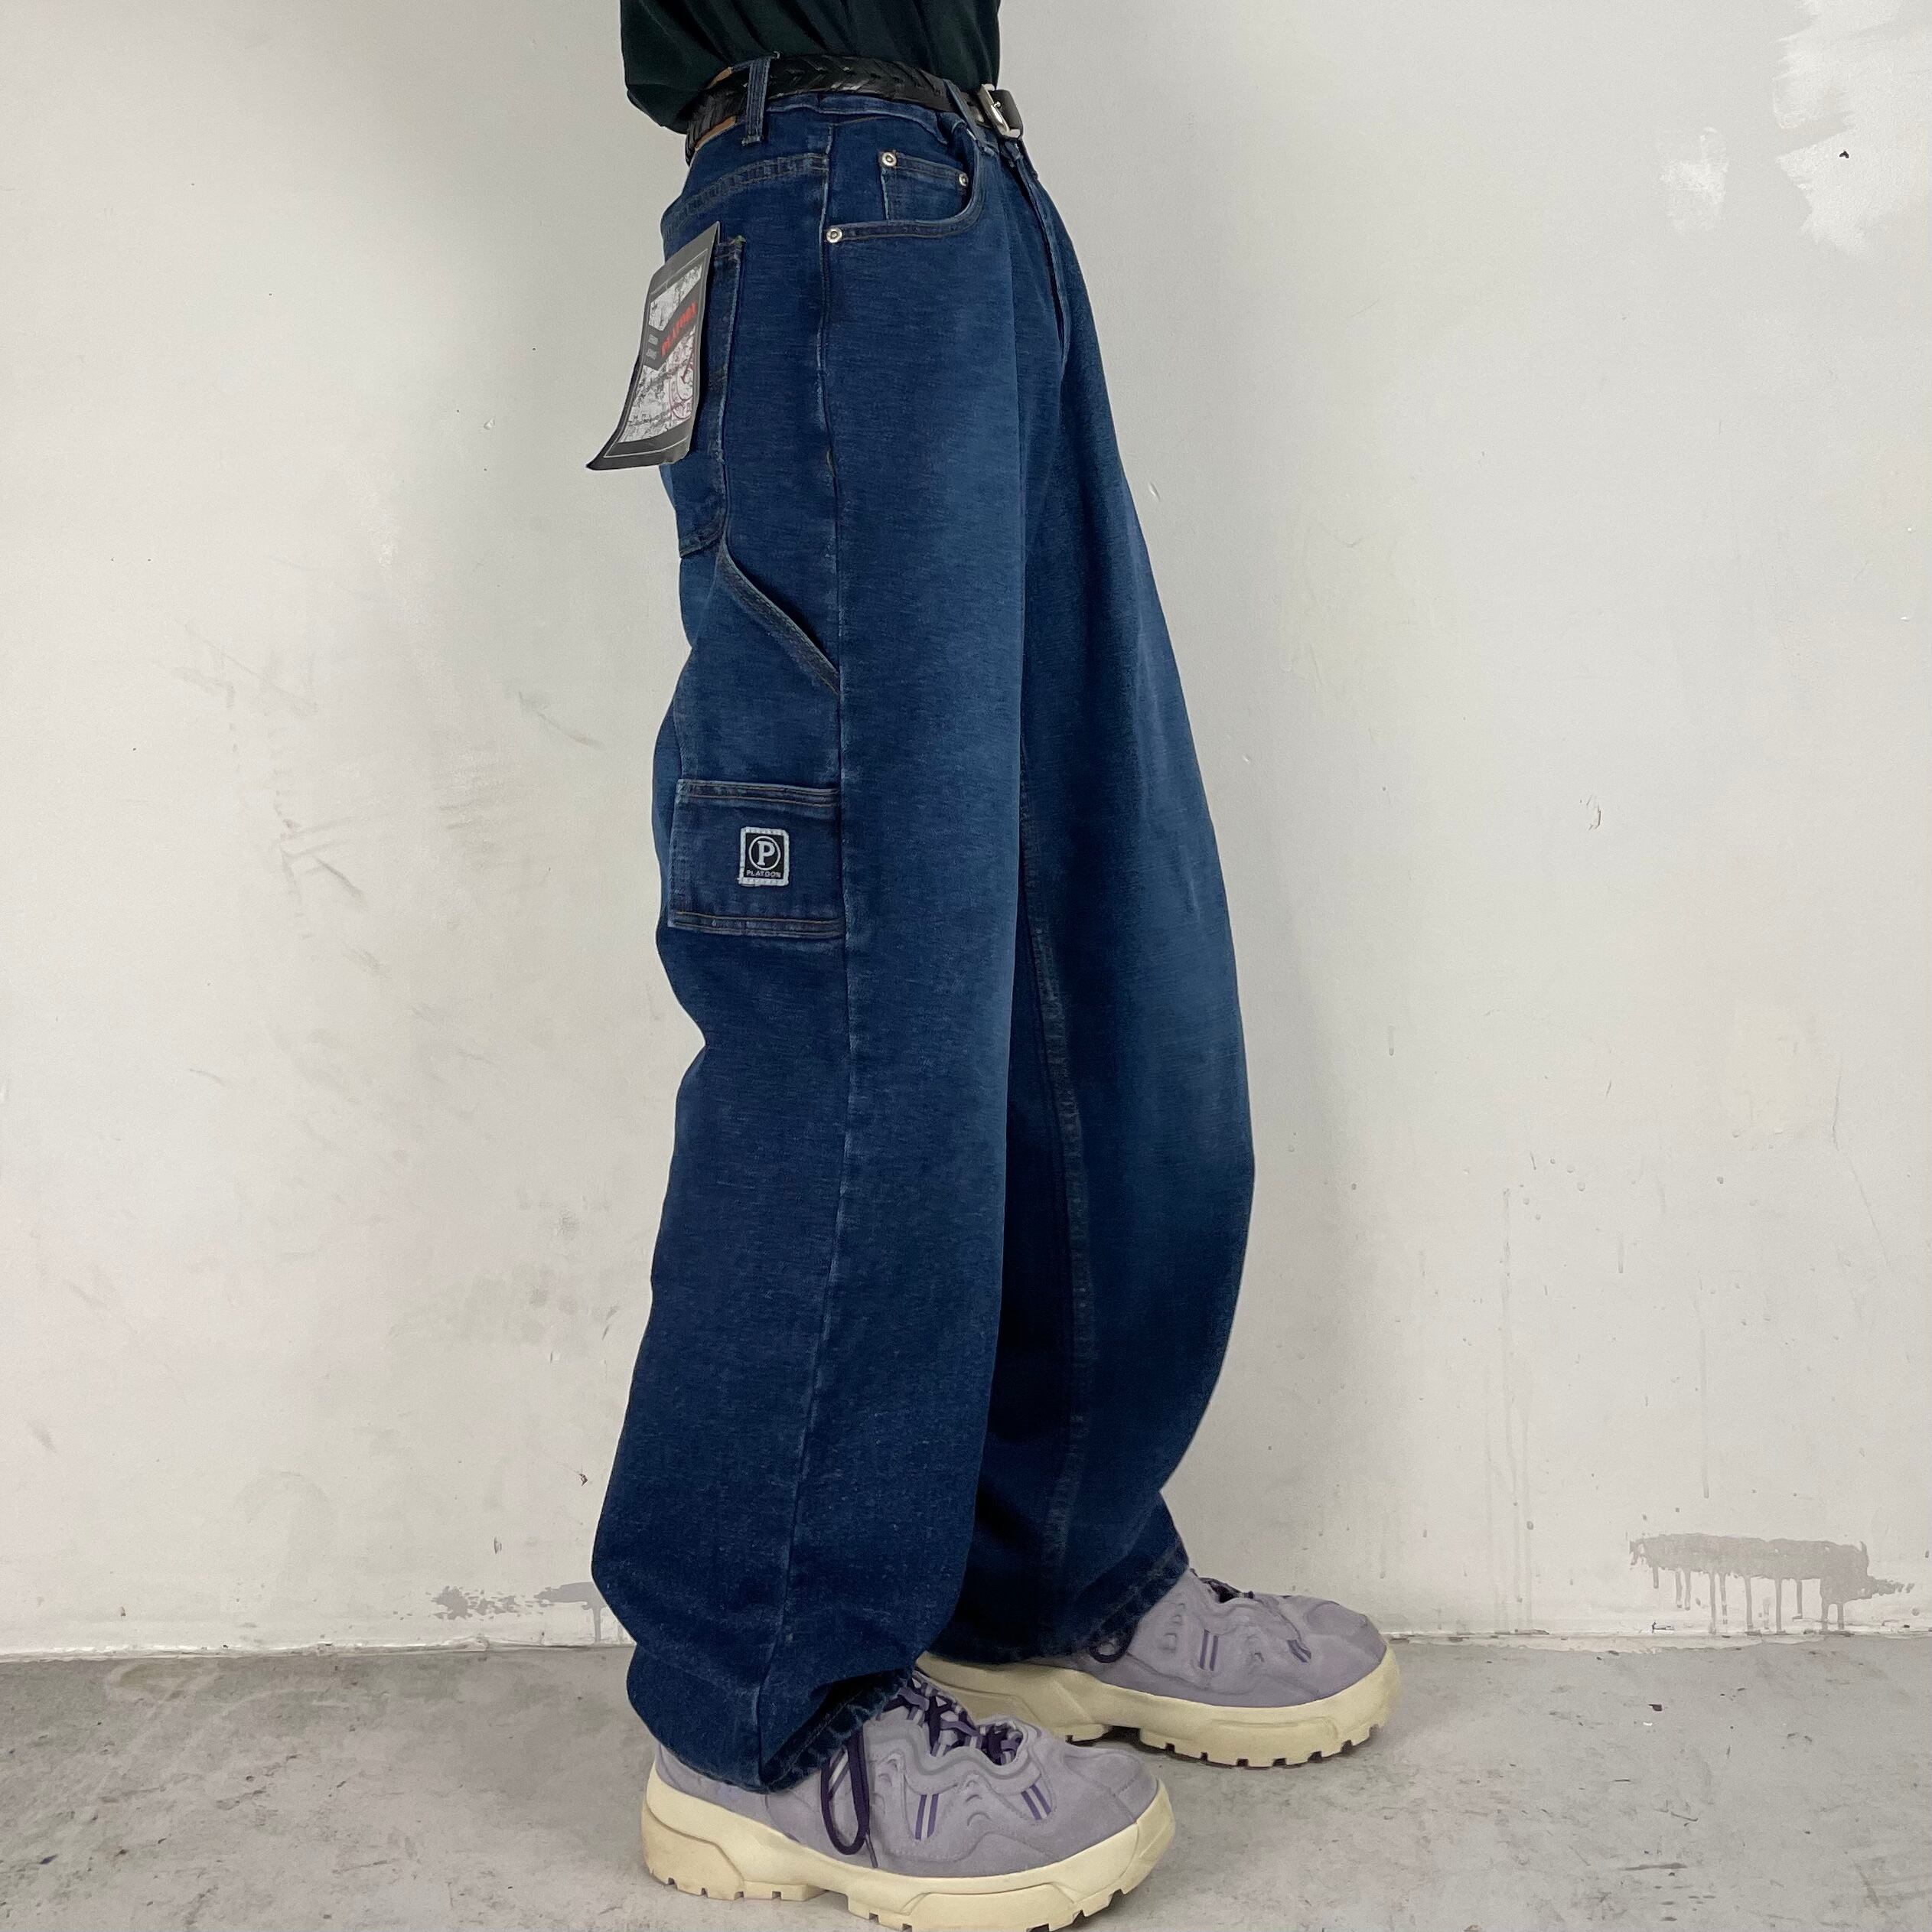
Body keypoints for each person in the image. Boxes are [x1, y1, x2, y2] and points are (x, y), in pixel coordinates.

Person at [589, 6, 1400, 1924]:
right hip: (824, 190)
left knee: (1089, 946)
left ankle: (1046, 1572)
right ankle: (763, 1708)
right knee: (854, 970)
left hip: (971, 200)